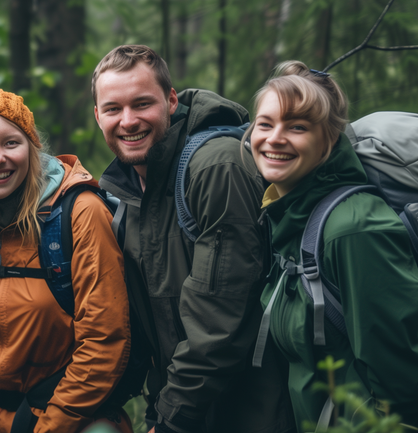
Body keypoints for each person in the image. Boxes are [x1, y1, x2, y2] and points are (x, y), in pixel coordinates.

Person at [92, 45, 294, 433]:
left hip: (251, 413)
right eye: (114, 109)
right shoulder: (128, 191)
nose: (128, 121)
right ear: (98, 115)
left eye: (142, 104)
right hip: (189, 410)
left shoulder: (216, 166)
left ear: (170, 101)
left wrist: (171, 419)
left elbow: (221, 319)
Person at [250, 62, 418, 427]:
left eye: (297, 127)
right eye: (265, 124)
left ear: (329, 140)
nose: (274, 138)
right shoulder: (288, 215)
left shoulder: (354, 228)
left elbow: (400, 383)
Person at [0, 89, 132, 433]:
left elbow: (105, 341)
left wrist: (50, 427)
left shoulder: (80, 213)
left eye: (11, 143)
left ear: (32, 147)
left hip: (69, 418)